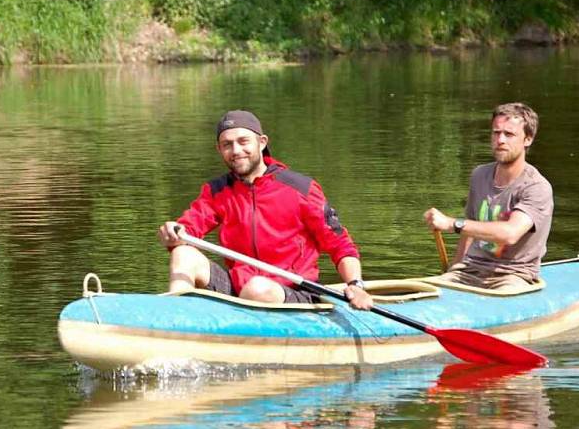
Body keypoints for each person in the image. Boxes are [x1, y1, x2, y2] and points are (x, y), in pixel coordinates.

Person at [158, 110, 372, 309]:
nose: (236, 151)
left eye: (243, 142)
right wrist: (174, 233)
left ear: (262, 143)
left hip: (292, 292)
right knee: (183, 253)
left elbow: (340, 245)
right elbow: (188, 229)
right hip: (238, 287)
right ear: (219, 149)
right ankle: (175, 318)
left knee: (257, 287)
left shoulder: (301, 189)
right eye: (227, 145)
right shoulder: (216, 191)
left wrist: (355, 285)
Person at [424, 102, 553, 291]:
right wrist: (453, 270)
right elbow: (470, 230)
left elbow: (510, 234)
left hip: (513, 275)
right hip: (470, 270)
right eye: (496, 132)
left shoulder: (537, 187)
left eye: (509, 134)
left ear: (528, 139)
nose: (500, 140)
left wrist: (452, 224)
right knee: (428, 291)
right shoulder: (479, 175)